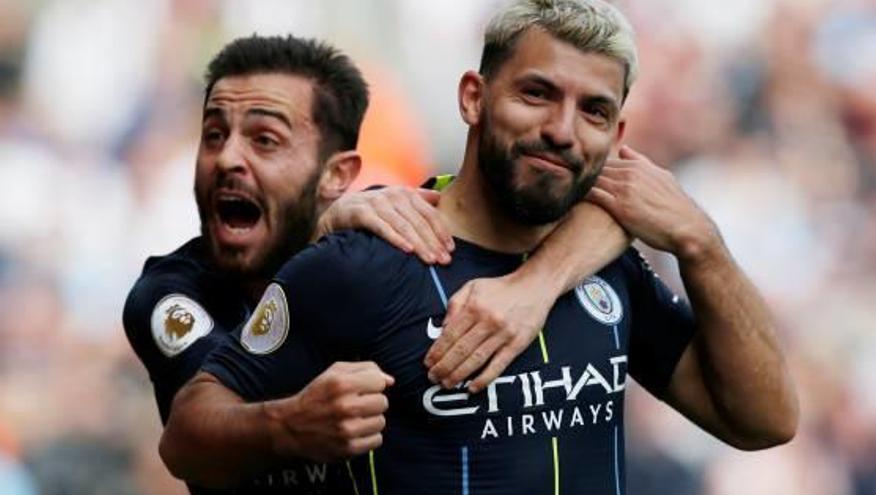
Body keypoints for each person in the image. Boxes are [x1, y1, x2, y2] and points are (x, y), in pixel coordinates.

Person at [163, 0, 799, 493]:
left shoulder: (608, 265)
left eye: (594, 112)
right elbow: (187, 437)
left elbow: (763, 420)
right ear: (473, 97)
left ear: (618, 134)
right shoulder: (367, 262)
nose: (561, 131)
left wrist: (703, 244)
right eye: (536, 93)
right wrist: (289, 426)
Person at [124, 34, 629, 493]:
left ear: (336, 174)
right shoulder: (169, 295)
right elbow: (199, 424)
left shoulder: (391, 232)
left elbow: (628, 194)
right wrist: (291, 423)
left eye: (265, 140)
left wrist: (536, 285)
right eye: (212, 135)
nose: (228, 158)